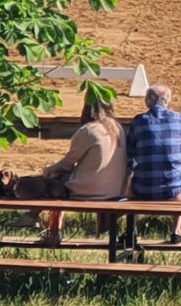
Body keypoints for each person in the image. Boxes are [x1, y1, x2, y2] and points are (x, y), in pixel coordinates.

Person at [38, 94, 128, 242]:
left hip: (87, 190)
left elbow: (67, 163)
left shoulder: (89, 130)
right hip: (114, 191)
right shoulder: (118, 128)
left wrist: (49, 169)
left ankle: (54, 232)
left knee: (56, 181)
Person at [124, 85, 181, 242]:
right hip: (172, 190)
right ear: (167, 101)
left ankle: (131, 230)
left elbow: (130, 152)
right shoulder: (179, 119)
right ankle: (176, 231)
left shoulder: (139, 121)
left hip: (143, 189)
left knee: (131, 184)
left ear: (148, 101)